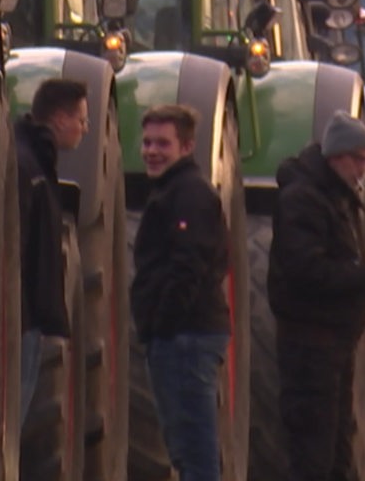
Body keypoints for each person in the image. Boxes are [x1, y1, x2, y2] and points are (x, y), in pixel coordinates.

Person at [267, 111, 365, 481]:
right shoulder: (304, 200)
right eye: (360, 160)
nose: (364, 169)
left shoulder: (338, 198)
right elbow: (307, 273)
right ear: (337, 156)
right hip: (309, 350)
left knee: (337, 451)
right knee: (313, 452)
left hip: (334, 349)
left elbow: (338, 272)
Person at [131, 104, 230, 481]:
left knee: (193, 447)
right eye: (147, 143)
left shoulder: (190, 194)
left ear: (187, 147)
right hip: (181, 335)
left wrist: (162, 324)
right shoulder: (172, 191)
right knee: (185, 446)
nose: (152, 151)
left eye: (163, 144)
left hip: (186, 336)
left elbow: (189, 265)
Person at [14, 79, 84, 425]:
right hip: (24, 318)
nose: (85, 129)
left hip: (27, 314)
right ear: (59, 119)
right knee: (16, 414)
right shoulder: (30, 168)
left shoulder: (37, 163)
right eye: (81, 120)